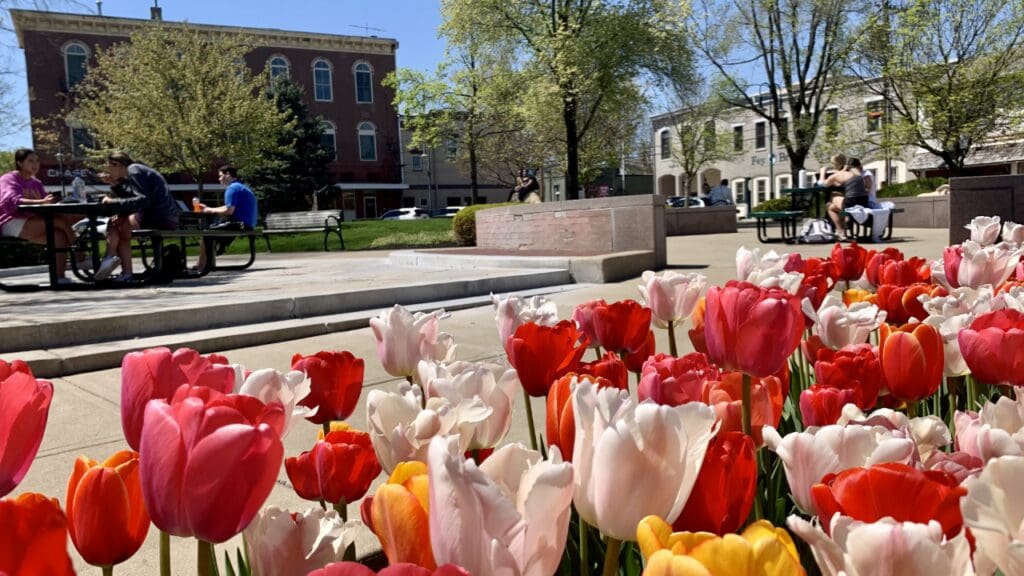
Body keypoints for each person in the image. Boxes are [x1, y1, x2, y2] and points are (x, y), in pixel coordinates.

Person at [95, 152, 179, 280]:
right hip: (162, 215)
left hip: (159, 217)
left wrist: (112, 201)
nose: (109, 172)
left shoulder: (133, 169)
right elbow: (133, 199)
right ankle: (116, 264)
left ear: (116, 164)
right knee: (117, 222)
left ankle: (114, 261)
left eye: (110, 168)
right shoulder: (136, 169)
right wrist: (114, 184)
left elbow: (142, 200)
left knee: (119, 226)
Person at [0, 148, 78, 283]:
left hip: (34, 221)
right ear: (19, 163)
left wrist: (54, 202)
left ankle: (59, 278)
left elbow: (44, 206)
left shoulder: (36, 183)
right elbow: (11, 200)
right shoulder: (9, 178)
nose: (35, 164)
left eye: (37, 161)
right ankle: (79, 253)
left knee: (58, 235)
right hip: (10, 221)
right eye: (30, 161)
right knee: (60, 220)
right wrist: (41, 201)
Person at [194, 165, 258, 271]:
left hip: (239, 224)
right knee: (211, 231)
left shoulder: (232, 188)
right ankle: (208, 263)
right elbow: (228, 207)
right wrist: (210, 208)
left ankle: (202, 265)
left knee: (206, 233)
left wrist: (209, 210)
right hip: (247, 223)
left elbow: (229, 211)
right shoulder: (240, 186)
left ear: (228, 174)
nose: (219, 179)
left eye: (220, 176)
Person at [821, 153, 869, 233]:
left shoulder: (836, 175)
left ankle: (840, 231)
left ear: (836, 164)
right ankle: (844, 225)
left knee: (831, 202)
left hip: (851, 203)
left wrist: (822, 173)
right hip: (864, 201)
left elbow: (823, 184)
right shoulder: (855, 170)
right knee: (834, 205)